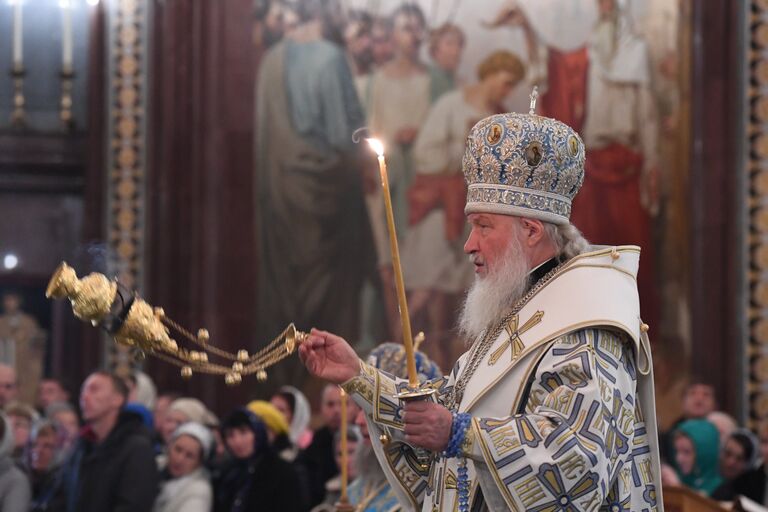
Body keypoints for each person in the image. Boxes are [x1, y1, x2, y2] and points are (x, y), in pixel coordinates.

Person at [300, 109, 663, 510]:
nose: (469, 244)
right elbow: (445, 412)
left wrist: (461, 434)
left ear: (530, 230)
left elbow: (579, 461)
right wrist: (359, 376)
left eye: (484, 226)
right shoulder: (520, 311)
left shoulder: (587, 323)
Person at [254, 0, 374, 385]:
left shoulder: (271, 60)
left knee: (288, 295)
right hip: (327, 204)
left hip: (282, 201)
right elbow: (345, 137)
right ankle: (318, 391)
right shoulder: (331, 58)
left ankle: (286, 381)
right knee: (330, 304)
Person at [402, 50, 525, 369]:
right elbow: (426, 152)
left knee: (450, 288)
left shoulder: (500, 116)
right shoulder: (451, 105)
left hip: (471, 211)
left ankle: (440, 356)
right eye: (506, 82)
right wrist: (466, 149)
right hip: (441, 207)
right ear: (491, 72)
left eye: (512, 87)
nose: (507, 91)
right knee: (427, 285)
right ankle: (403, 346)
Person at [47, 371, 159, 511]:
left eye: (94, 390)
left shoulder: (137, 449)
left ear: (117, 399)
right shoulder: (82, 446)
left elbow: (133, 506)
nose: (84, 397)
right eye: (83, 391)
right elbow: (59, 500)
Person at [214, 407, 304, 511]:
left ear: (258, 433)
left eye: (244, 432)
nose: (237, 441)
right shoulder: (228, 473)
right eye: (230, 435)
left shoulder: (281, 472)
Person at [153, 422, 213, 512]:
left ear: (199, 463)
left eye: (189, 456)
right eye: (178, 449)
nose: (180, 459)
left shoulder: (198, 492)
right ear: (170, 446)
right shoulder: (155, 466)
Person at [672, 418, 722, 496]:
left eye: (686, 452)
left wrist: (677, 488)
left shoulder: (720, 491)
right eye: (677, 451)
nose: (679, 459)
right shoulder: (681, 478)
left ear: (704, 454)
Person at [711, 428, 761, 501]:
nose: (731, 463)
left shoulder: (746, 499)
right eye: (728, 453)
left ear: (748, 464)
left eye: (739, 459)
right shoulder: (706, 480)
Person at [427, 23, 465, 102]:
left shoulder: (457, 81)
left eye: (459, 45)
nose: (456, 51)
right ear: (435, 50)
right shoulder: (429, 79)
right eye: (449, 44)